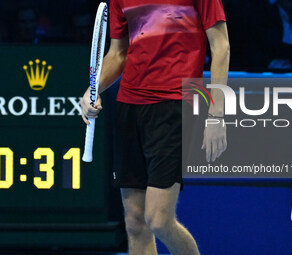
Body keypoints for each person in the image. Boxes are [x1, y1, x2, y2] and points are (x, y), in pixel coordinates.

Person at [80, 0, 229, 254]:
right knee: (135, 222)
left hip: (175, 104)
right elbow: (118, 53)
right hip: (129, 105)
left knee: (159, 220)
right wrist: (92, 91)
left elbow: (221, 46)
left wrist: (216, 114)